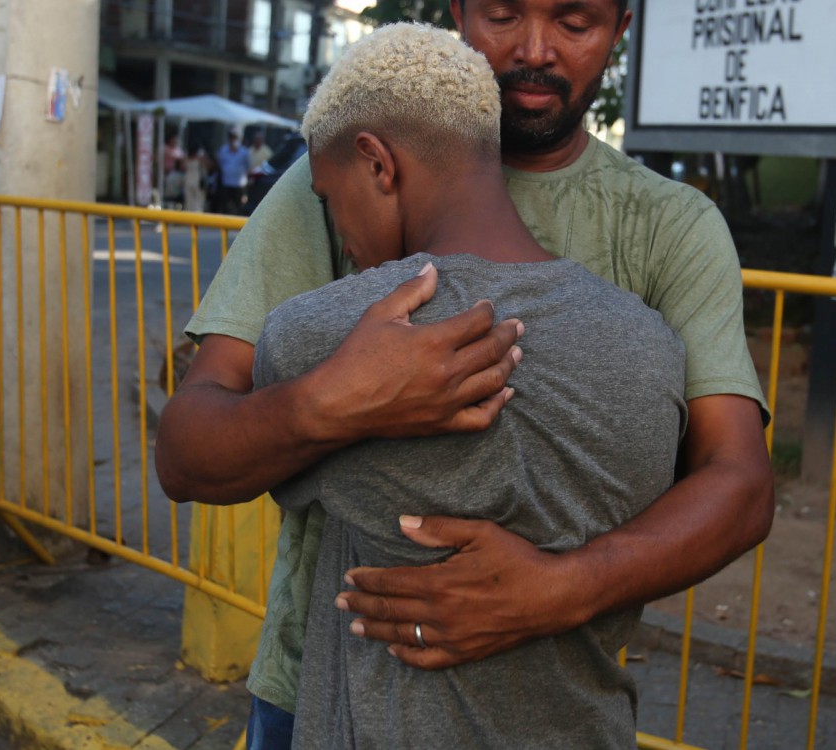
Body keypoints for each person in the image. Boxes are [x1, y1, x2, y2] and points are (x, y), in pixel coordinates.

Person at [154, 0, 775, 743]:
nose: (535, 49)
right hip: (320, 690)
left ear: (620, 29)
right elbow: (189, 452)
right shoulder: (337, 169)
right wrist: (329, 404)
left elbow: (738, 483)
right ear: (459, 12)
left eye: (574, 22)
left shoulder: (667, 226)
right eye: (504, 13)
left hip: (543, 704)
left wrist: (558, 590)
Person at [255, 24, 687, 747]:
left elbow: (204, 457)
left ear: (377, 163)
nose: (342, 237)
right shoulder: (652, 351)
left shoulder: (319, 336)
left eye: (330, 201)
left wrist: (334, 397)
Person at [215, 127, 250, 214]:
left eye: (235, 137)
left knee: (239, 206)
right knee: (225, 205)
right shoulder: (223, 150)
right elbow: (220, 164)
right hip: (226, 183)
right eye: (231, 137)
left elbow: (248, 166)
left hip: (239, 184)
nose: (233, 139)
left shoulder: (244, 152)